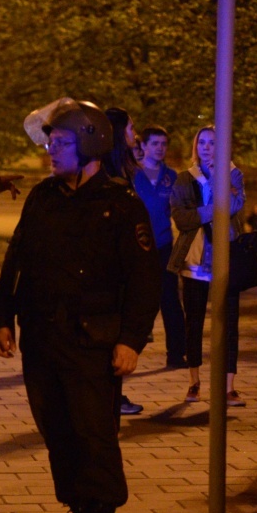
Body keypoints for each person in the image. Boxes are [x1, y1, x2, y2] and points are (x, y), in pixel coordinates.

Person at [0, 99, 159, 513]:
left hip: (93, 342)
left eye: (61, 142)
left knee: (94, 433)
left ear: (89, 144)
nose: (51, 149)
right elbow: (17, 258)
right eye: (51, 141)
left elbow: (145, 280)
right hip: (42, 340)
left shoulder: (121, 205)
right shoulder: (43, 197)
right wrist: (3, 315)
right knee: (58, 432)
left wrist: (132, 340)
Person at [167, 126, 247, 406]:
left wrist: (215, 182)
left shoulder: (234, 174)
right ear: (195, 146)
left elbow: (235, 207)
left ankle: (228, 387)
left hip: (227, 262)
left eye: (213, 143)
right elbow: (182, 219)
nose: (207, 147)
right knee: (195, 322)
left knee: (229, 324)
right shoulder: (184, 180)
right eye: (202, 142)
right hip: (195, 260)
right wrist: (211, 210)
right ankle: (194, 382)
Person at [102, 106, 147, 416]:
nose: (136, 134)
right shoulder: (111, 183)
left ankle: (113, 397)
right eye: (131, 128)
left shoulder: (123, 173)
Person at [133, 125, 186, 369]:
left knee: (171, 300)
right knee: (137, 299)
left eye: (164, 144)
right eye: (155, 143)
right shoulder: (132, 174)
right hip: (135, 248)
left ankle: (176, 355)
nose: (160, 148)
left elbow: (177, 210)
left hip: (164, 245)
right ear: (142, 146)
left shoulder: (171, 177)